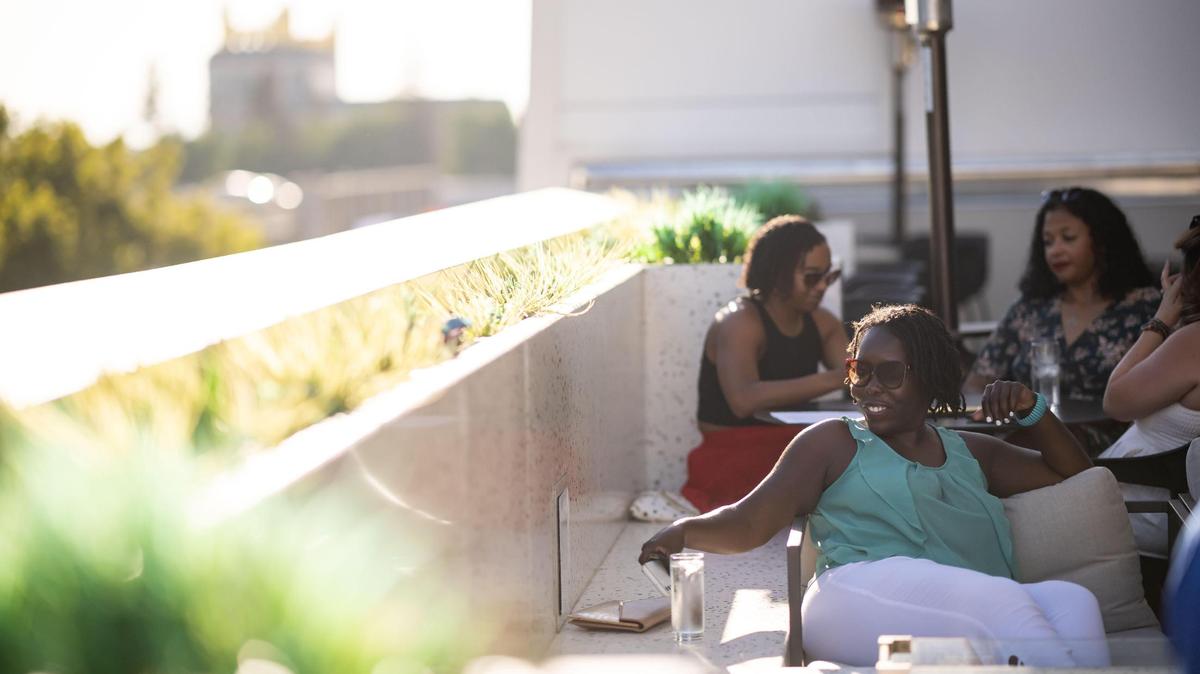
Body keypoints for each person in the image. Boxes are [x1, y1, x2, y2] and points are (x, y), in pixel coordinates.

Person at [641, 304, 1109, 667]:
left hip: (966, 609)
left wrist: (1033, 410)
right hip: (854, 597)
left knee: (1075, 602)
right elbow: (748, 522)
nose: (868, 387)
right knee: (1003, 600)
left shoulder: (971, 453)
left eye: (888, 373)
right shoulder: (833, 442)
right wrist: (683, 531)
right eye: (858, 370)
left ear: (929, 379)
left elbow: (1076, 475)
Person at [965, 187, 1159, 454]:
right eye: (1048, 241)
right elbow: (977, 383)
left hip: (1114, 445)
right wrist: (995, 402)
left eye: (1068, 238)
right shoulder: (1030, 309)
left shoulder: (1144, 308)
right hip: (1025, 434)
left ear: (1102, 241)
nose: (1055, 250)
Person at [683, 215, 847, 512]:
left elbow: (862, 380)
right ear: (777, 274)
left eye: (829, 276)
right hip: (731, 452)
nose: (823, 286)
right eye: (812, 277)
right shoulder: (739, 321)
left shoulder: (823, 323)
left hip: (788, 447)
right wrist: (839, 377)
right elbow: (743, 401)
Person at [1100, 217, 1200, 557]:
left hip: (1151, 511)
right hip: (1171, 507)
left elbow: (1115, 401)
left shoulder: (1194, 343)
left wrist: (1162, 318)